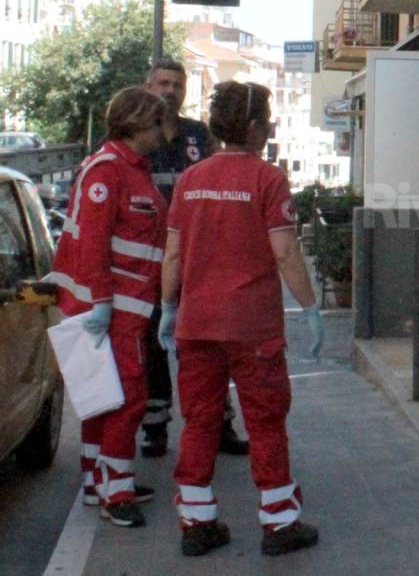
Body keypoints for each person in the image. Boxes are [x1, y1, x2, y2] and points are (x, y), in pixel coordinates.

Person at [158, 81, 323, 557]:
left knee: (199, 422)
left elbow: (172, 256)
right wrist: (310, 308)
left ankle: (197, 522)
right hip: (252, 327)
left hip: (196, 324)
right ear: (252, 128)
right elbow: (286, 251)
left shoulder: (191, 179)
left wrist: (169, 308)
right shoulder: (267, 179)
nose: (270, 128)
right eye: (268, 121)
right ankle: (279, 523)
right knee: (266, 421)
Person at [51, 87, 169, 527]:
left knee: (102, 396)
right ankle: (114, 491)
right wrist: (100, 303)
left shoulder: (129, 168)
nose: (163, 132)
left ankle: (95, 481)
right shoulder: (109, 170)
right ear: (138, 122)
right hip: (112, 307)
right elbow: (94, 245)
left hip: (125, 304)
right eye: (158, 122)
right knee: (129, 396)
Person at [139, 58, 248, 458]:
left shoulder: (199, 135)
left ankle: (219, 424)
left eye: (177, 85)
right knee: (152, 347)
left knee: (205, 347)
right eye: (163, 83)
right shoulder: (135, 136)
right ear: (148, 86)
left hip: (198, 259)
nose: (170, 90)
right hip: (150, 260)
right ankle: (155, 428)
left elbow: (220, 179)